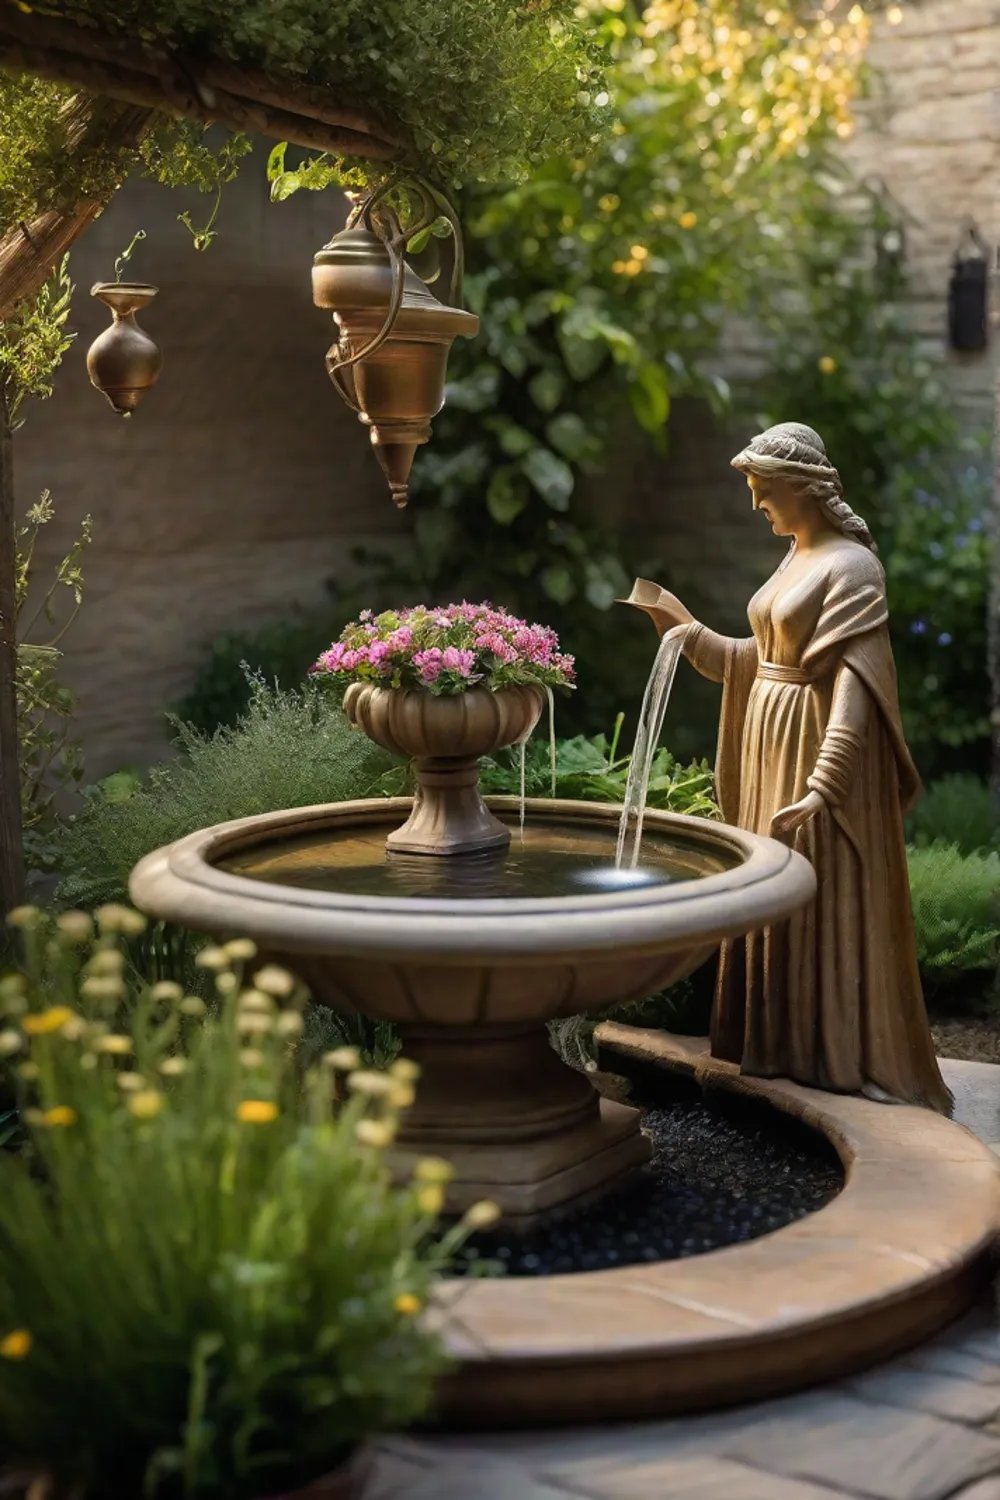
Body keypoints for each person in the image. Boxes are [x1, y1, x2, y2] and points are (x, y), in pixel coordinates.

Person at [633, 421, 951, 1113]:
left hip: (811, 748)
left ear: (802, 489)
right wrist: (690, 633)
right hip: (769, 738)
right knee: (771, 893)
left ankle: (833, 1051)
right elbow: (760, 659)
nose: (756, 506)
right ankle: (778, 1045)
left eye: (763, 490)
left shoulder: (853, 568)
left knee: (819, 891)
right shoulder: (796, 556)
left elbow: (853, 686)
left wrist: (824, 786)